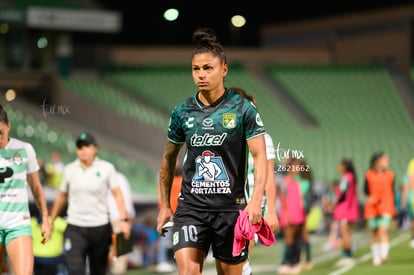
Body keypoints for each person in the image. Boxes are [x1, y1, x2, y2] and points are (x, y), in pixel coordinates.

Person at [156, 27, 269, 275]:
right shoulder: (181, 112)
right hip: (190, 209)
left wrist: (255, 201)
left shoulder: (244, 109)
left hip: (230, 209)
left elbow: (261, 157)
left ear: (224, 70)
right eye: (196, 69)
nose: (201, 74)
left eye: (208, 68)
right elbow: (167, 158)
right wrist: (164, 205)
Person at [50, 132, 131, 275]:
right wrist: (51, 220)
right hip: (75, 227)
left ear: (96, 148)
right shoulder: (69, 170)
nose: (83, 150)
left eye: (87, 146)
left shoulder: (107, 168)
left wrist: (124, 220)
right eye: (80, 147)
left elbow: (118, 194)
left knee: (98, 270)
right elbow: (62, 196)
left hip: (99, 227)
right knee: (75, 270)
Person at [230, 87, 279, 275]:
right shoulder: (224, 136)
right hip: (228, 203)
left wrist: (272, 211)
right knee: (232, 259)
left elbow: (269, 177)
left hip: (253, 203)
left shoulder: (262, 137)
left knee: (241, 256)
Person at [0, 104, 52, 274]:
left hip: (18, 223)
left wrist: (45, 218)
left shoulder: (24, 149)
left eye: (0, 132)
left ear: (8, 126)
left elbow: (36, 187)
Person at [364, 151, 395, 266]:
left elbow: (391, 190)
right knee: (374, 232)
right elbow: (366, 190)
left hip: (386, 206)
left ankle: (384, 254)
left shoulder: (390, 175)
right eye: (384, 159)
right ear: (377, 161)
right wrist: (370, 198)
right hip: (372, 207)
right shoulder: (369, 174)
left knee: (383, 230)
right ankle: (376, 257)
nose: (387, 161)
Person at [277, 158, 306, 275]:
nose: (297, 169)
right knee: (289, 241)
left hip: (299, 215)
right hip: (289, 216)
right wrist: (287, 215)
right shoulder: (284, 182)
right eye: (295, 167)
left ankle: (295, 263)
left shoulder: (297, 182)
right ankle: (284, 263)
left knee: (297, 241)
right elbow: (283, 200)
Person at [156, 159, 183, 273]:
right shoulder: (165, 178)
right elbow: (161, 195)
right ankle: (162, 262)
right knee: (165, 238)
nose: (175, 164)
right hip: (168, 212)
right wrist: (164, 210)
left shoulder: (182, 177)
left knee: (179, 238)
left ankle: (177, 261)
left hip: (180, 212)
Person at [107, 172, 136, 275]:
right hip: (118, 218)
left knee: (118, 252)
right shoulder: (121, 177)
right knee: (120, 252)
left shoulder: (116, 177)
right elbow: (127, 200)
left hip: (115, 218)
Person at [333, 158, 360, 267]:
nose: (338, 168)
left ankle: (346, 256)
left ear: (344, 166)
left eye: (340, 165)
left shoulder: (346, 178)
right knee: (348, 233)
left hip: (345, 210)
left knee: (344, 234)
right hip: (351, 209)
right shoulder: (352, 177)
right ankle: (348, 254)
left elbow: (342, 194)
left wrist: (335, 203)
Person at [31, 205, 68, 275]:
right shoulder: (57, 221)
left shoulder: (32, 221)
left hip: (36, 258)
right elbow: (71, 230)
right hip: (52, 258)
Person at [401, 157, 414, 248]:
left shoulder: (407, 174)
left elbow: (405, 188)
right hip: (411, 199)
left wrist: (403, 201)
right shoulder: (408, 175)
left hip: (410, 199)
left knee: (412, 221)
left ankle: (413, 238)